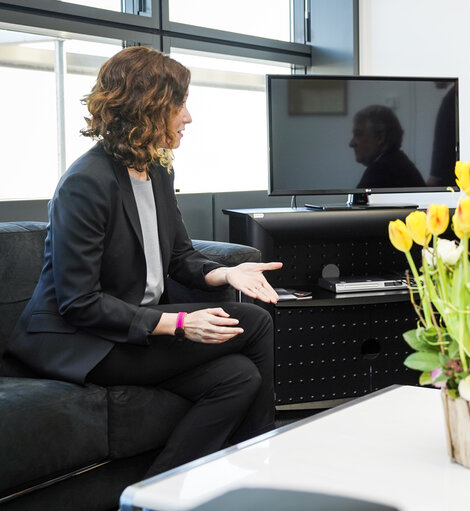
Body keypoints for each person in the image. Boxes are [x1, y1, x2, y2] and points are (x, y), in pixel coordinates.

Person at [7, 46, 282, 477]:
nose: (187, 117)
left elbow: (179, 257)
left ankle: (154, 494)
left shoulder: (156, 170)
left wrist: (228, 271)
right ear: (147, 108)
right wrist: (176, 324)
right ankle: (265, 466)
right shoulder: (86, 183)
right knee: (256, 322)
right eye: (179, 105)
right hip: (81, 338)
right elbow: (78, 302)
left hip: (132, 325)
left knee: (238, 377)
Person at [349, 104, 426, 189]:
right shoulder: (399, 163)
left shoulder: (380, 171)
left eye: (358, 134)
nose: (351, 143)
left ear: (380, 138)